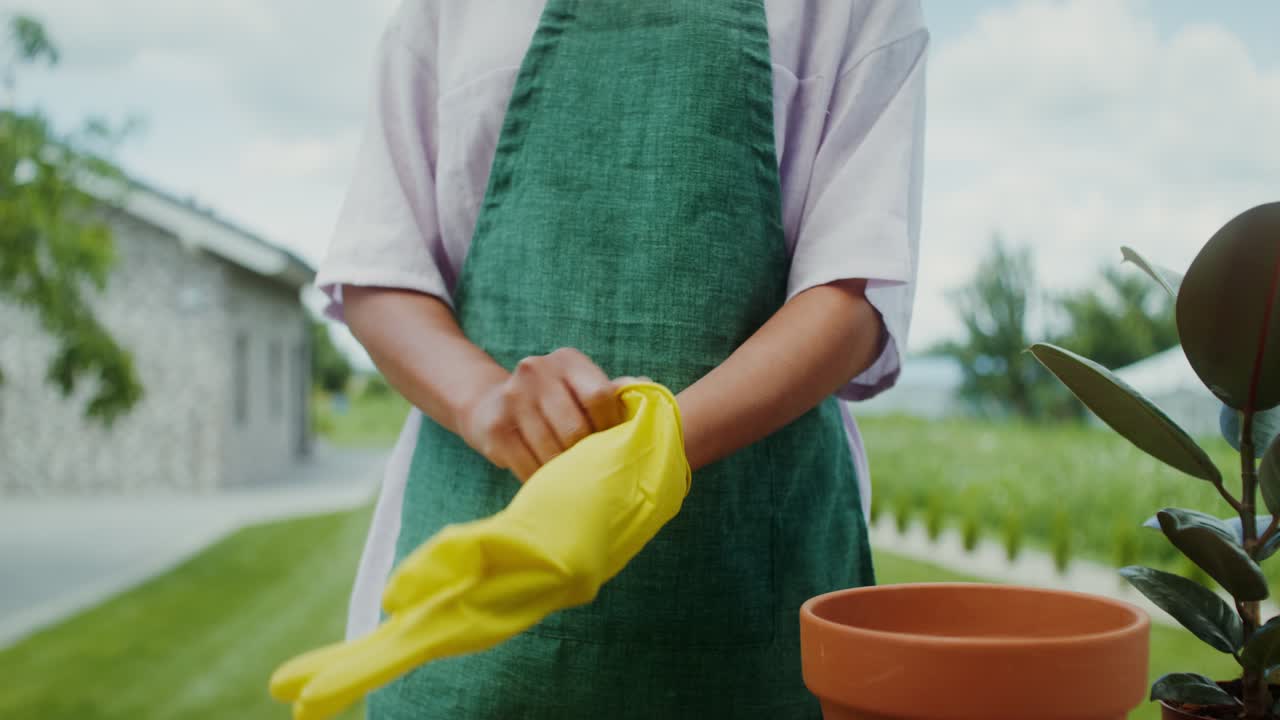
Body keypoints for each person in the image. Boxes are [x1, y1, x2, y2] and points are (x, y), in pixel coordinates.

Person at [315, 0, 927, 717]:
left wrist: (657, 446)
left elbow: (854, 291)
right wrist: (484, 401)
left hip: (749, 605)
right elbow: (381, 268)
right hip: (471, 600)